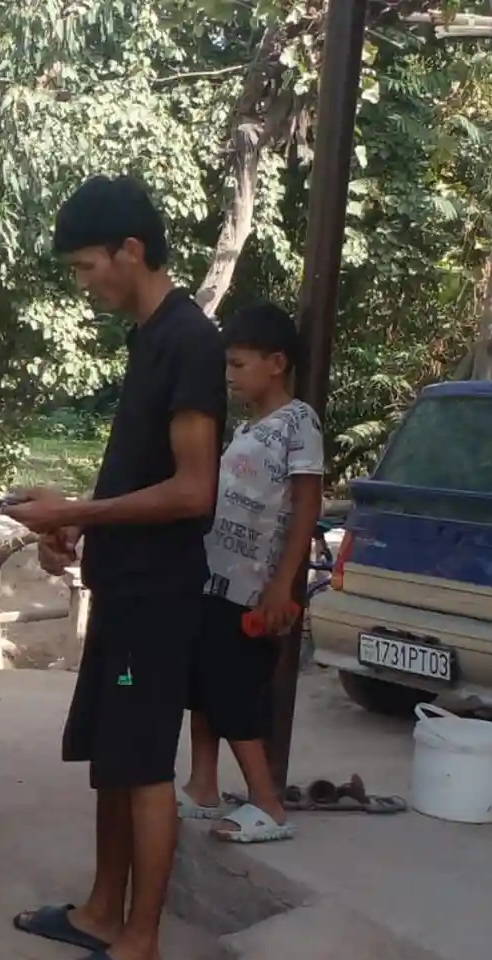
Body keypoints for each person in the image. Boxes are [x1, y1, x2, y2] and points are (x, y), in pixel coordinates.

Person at [5, 175, 227, 960]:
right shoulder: (150, 337)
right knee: (112, 750)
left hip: (156, 600)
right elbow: (142, 473)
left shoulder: (190, 342)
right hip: (126, 586)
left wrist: (81, 511)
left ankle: (141, 947)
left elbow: (193, 488)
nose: (83, 283)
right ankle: (103, 910)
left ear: (131, 250)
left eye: (87, 266)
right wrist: (76, 525)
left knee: (142, 767)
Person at [181, 302, 324, 844]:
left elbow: (306, 506)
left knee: (233, 693)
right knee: (203, 684)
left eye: (239, 364)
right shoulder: (247, 427)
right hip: (214, 577)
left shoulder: (297, 422)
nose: (229, 376)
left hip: (254, 588)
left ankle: (268, 806)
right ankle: (202, 786)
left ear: (276, 362)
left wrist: (282, 586)